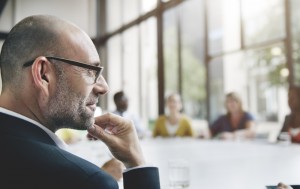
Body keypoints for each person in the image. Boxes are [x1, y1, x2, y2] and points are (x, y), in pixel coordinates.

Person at [0, 15, 160, 189]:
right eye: (91, 71)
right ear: (44, 74)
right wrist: (136, 162)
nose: (104, 87)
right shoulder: (88, 180)